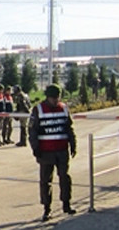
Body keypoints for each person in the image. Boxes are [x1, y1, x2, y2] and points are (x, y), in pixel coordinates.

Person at [29, 83, 77, 222]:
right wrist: (35, 148)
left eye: (57, 97)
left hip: (62, 151)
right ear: (47, 97)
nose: (56, 100)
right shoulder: (38, 109)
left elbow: (69, 128)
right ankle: (47, 209)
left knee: (64, 178)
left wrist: (73, 144)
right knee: (46, 181)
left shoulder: (63, 108)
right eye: (53, 98)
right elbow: (32, 131)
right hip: (45, 152)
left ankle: (66, 204)